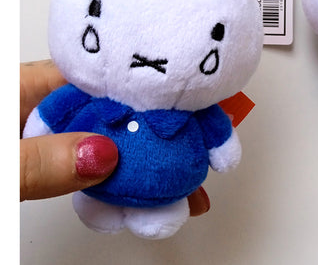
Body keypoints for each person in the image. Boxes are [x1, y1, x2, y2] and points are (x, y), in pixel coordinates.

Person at [20, 59, 210, 215]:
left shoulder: (192, 101)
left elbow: (215, 125)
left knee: (158, 220)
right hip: (99, 190)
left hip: (171, 187)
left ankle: (157, 216)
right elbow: (54, 110)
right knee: (98, 213)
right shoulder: (87, 90)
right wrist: (37, 133)